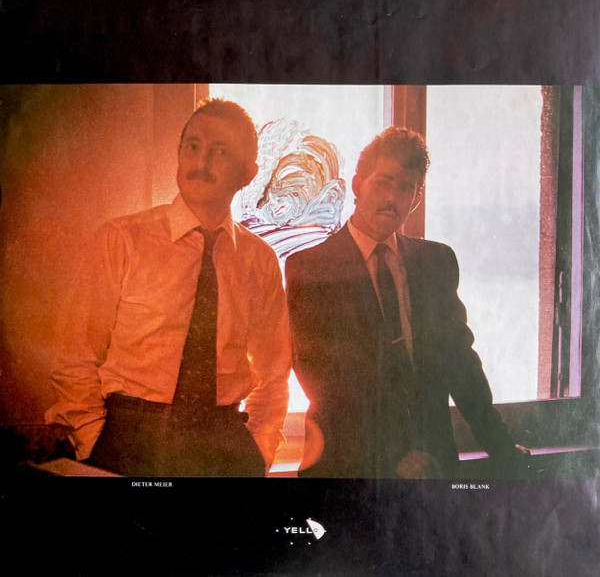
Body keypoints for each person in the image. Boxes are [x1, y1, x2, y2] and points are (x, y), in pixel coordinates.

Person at [45, 98, 291, 477]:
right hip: (130, 437)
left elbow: (274, 372)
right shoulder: (122, 239)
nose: (202, 161)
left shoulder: (259, 260)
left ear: (248, 173)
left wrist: (257, 450)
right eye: (193, 146)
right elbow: (74, 353)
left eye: (220, 151)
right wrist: (94, 440)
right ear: (178, 155)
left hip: (223, 442)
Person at [285, 127, 528, 479]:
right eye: (382, 183)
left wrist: (502, 447)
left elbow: (462, 364)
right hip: (349, 467)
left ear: (416, 198)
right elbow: (323, 379)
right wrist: (396, 454)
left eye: (405, 188)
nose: (392, 197)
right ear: (357, 185)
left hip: (433, 464)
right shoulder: (310, 266)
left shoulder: (437, 262)